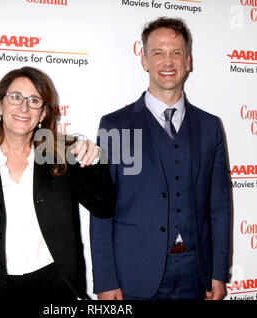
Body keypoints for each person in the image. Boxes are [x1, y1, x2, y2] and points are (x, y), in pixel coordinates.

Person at [0, 66, 115, 301]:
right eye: (15, 97)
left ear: (43, 114)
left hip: (55, 285)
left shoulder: (61, 154)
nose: (24, 107)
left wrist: (95, 160)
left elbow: (104, 207)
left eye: (34, 100)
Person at [90, 17, 231, 300]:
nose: (168, 61)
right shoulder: (115, 126)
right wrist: (105, 280)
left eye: (176, 52)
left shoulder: (210, 127)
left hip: (196, 273)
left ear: (188, 61)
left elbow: (219, 206)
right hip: (134, 275)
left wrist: (218, 272)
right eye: (158, 52)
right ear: (144, 61)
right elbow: (101, 210)